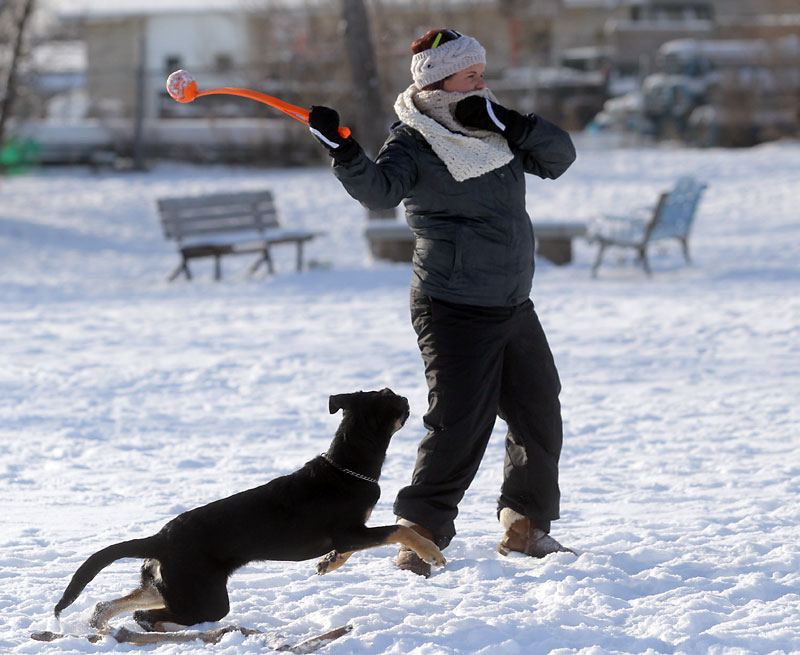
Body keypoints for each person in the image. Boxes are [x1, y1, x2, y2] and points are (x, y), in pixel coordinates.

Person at [307, 29, 576, 577]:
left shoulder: (493, 127)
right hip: (452, 302)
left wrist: (514, 124)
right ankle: (420, 535)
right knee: (459, 423)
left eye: (481, 72)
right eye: (469, 74)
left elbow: (560, 158)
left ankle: (525, 526)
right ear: (436, 80)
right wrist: (345, 151)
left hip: (512, 301)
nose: (482, 81)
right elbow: (380, 192)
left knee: (538, 413)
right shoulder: (414, 139)